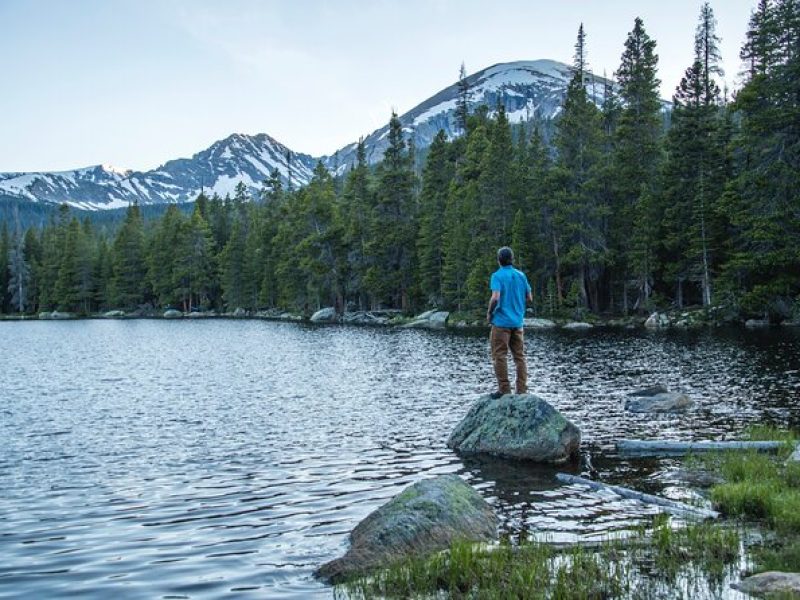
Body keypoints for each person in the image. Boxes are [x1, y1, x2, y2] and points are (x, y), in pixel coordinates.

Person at [486, 246, 532, 399]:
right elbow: (529, 297)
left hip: (501, 323)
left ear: (499, 260)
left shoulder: (497, 276)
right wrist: (518, 306)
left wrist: (490, 313)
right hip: (517, 323)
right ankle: (522, 390)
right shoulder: (521, 275)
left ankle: (504, 390)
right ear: (512, 259)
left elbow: (496, 297)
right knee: (519, 357)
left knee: (499, 355)